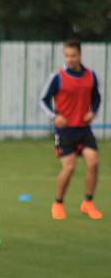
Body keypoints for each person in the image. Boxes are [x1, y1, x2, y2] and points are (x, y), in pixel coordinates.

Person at [39, 39, 102, 220]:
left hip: (84, 130)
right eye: (67, 55)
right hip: (65, 131)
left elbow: (97, 98)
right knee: (69, 168)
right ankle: (58, 203)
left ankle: (88, 203)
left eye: (73, 55)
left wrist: (93, 112)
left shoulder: (91, 76)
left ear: (80, 55)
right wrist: (54, 116)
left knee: (93, 162)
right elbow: (42, 100)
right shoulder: (57, 77)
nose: (70, 59)